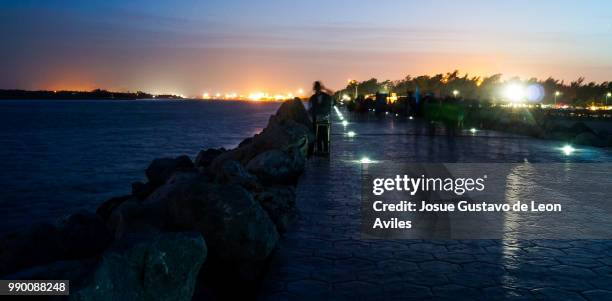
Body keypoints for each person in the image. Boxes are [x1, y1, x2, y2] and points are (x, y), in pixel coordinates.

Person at [308, 81, 333, 155]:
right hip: (315, 119)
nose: (317, 90)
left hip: (324, 118)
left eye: (319, 88)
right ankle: (319, 151)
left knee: (325, 136)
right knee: (318, 136)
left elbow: (331, 94)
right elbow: (310, 108)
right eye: (316, 88)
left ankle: (325, 150)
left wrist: (325, 88)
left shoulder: (326, 96)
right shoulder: (313, 97)